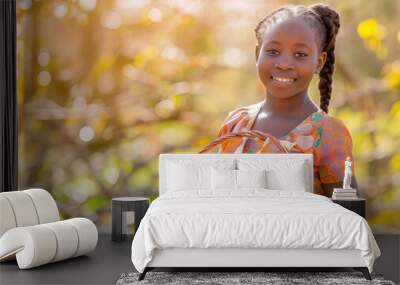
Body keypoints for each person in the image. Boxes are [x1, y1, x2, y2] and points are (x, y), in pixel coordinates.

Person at [199, 3, 358, 197]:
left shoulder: (328, 133)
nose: (283, 64)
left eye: (300, 55)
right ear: (258, 54)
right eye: (273, 52)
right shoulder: (236, 122)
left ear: (319, 62)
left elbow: (348, 215)